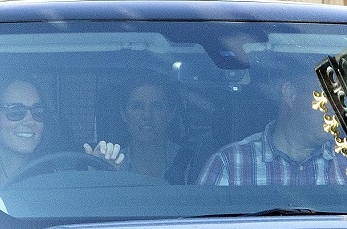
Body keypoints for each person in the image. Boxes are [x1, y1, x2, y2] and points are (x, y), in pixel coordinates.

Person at [196, 68, 347, 186]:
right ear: (290, 95)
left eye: (341, 100)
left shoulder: (344, 161)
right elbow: (200, 226)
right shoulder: (229, 163)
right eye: (326, 97)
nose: (337, 108)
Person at [0, 79, 123, 188]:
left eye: (38, 112)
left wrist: (97, 176)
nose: (30, 121)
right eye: (15, 111)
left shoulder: (59, 176)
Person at [84, 80, 181, 181]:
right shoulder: (109, 161)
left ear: (170, 114)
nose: (147, 115)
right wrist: (97, 176)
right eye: (137, 106)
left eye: (157, 106)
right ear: (124, 114)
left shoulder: (192, 162)